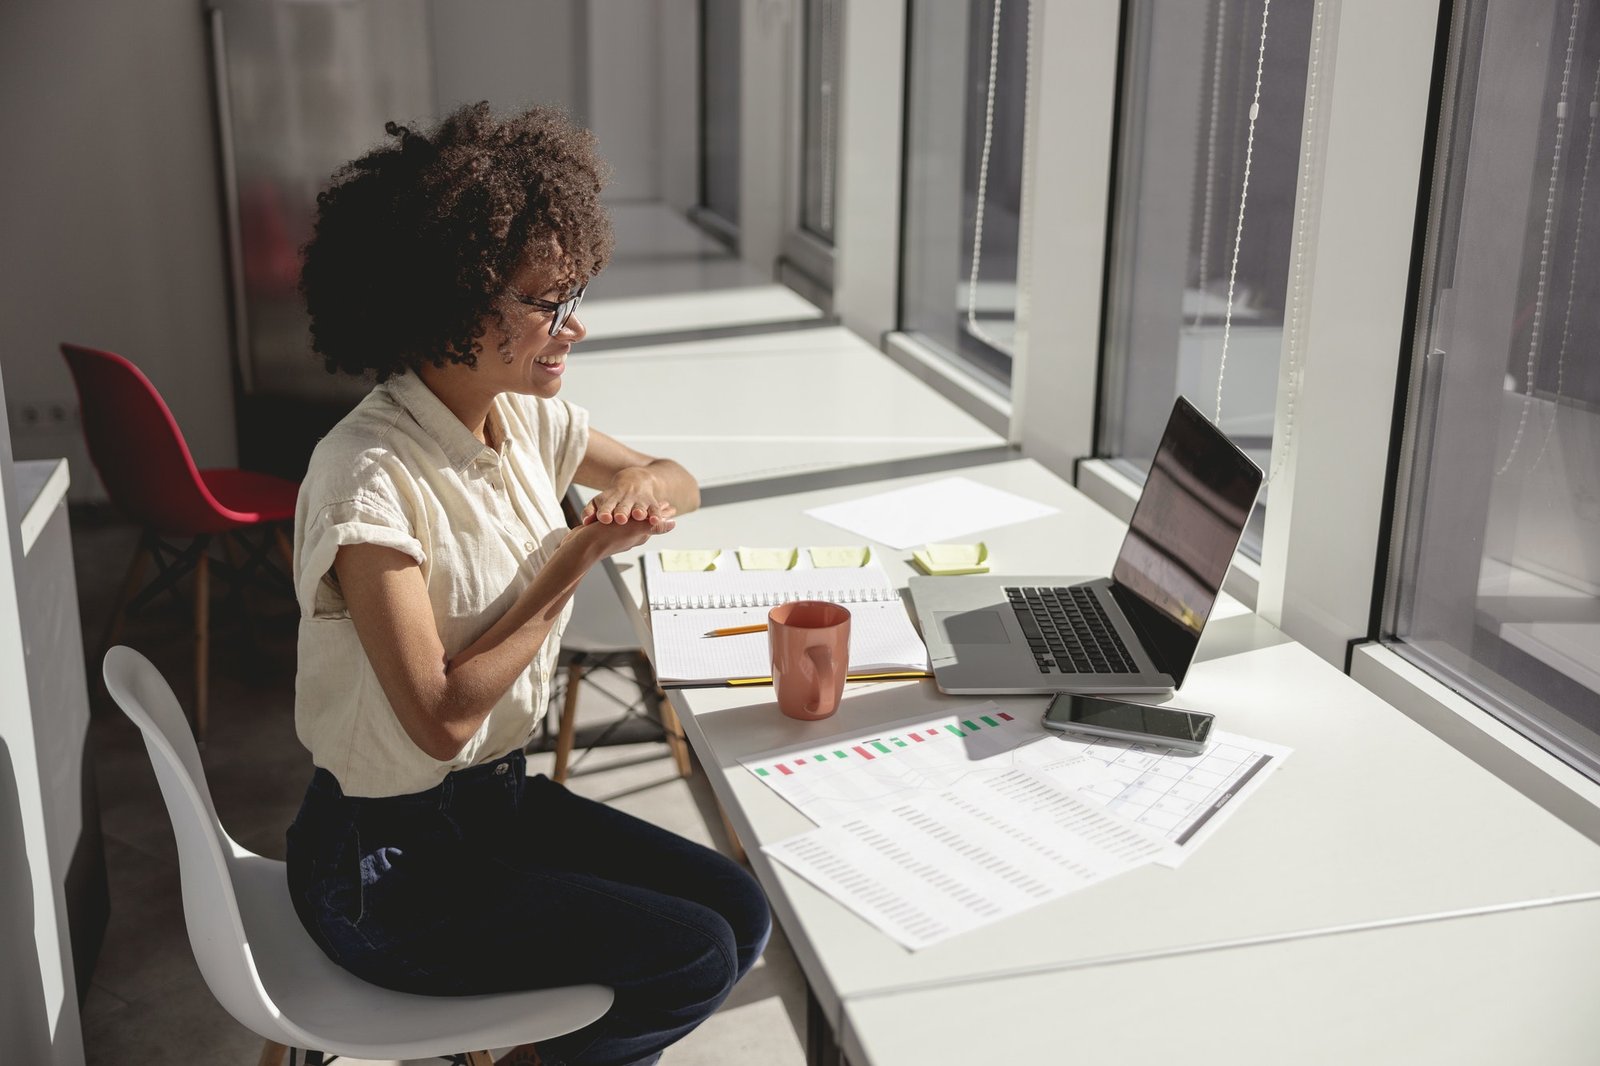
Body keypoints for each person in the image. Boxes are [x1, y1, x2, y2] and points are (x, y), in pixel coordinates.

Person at [285, 102, 771, 1066]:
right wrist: (575, 557)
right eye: (548, 301)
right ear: (458, 301)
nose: (574, 325)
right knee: (690, 957)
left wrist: (636, 489)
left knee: (740, 908)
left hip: (493, 808)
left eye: (574, 292)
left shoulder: (523, 422)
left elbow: (678, 477)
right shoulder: (367, 480)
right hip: (389, 866)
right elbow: (438, 717)